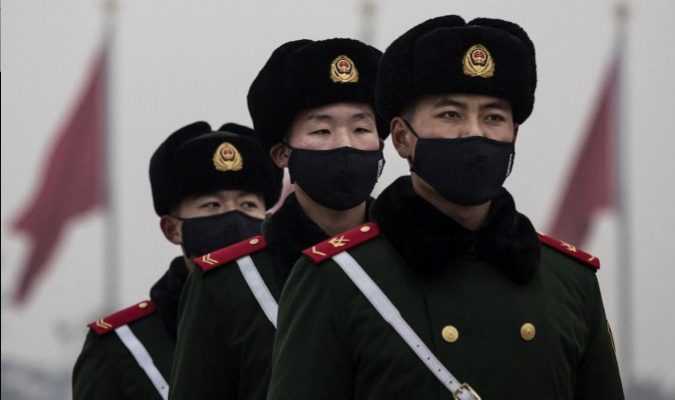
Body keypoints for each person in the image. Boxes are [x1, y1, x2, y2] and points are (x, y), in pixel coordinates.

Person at [267, 15, 625, 399]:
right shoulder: (338, 278)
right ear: (403, 138)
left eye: (493, 117)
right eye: (451, 115)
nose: (474, 132)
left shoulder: (569, 280)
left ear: (513, 136)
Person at [168, 38, 386, 400]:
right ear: (283, 153)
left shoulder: (414, 257)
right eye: (321, 130)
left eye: (361, 129)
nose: (344, 144)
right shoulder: (229, 282)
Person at [72, 121, 281, 400]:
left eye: (247, 205)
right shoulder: (122, 348)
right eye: (212, 206)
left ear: (267, 221)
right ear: (173, 229)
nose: (234, 219)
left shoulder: (295, 314)